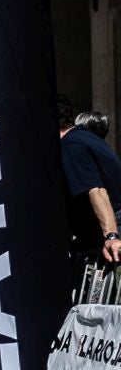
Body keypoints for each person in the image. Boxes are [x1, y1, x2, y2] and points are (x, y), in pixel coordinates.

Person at [61, 98, 121, 266]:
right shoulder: (85, 137)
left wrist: (111, 235)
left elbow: (97, 190)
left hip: (113, 225)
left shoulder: (70, 145)